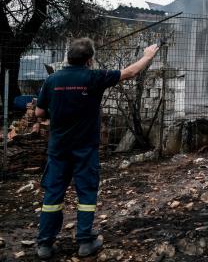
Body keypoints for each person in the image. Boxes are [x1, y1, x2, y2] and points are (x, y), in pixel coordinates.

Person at [35, 38, 160, 259]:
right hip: (85, 148)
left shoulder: (52, 80)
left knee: (53, 194)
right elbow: (129, 72)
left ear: (69, 57)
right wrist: (148, 55)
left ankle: (44, 244)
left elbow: (39, 113)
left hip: (59, 148)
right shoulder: (94, 77)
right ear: (90, 60)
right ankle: (85, 241)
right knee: (86, 192)